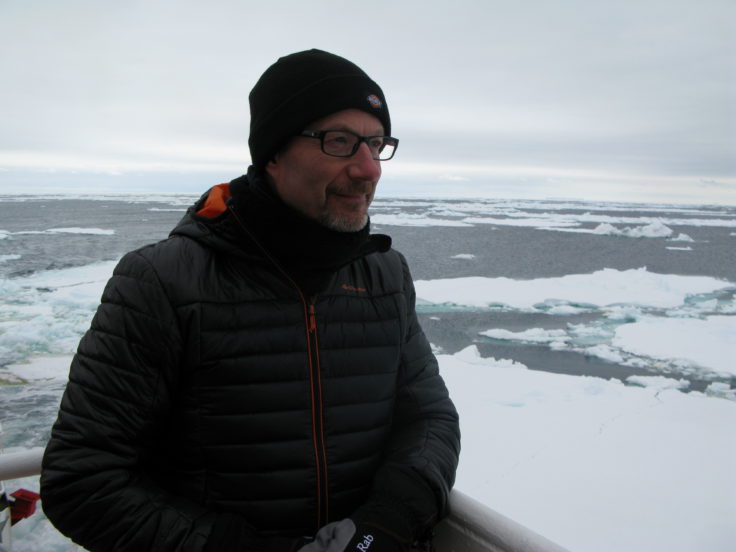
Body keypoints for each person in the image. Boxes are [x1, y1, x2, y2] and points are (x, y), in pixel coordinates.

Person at [41, 49, 460, 552]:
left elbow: (429, 419)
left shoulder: (383, 275)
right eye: (340, 142)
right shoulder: (164, 281)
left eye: (376, 144)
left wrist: (384, 525)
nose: (368, 169)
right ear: (273, 154)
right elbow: (82, 480)